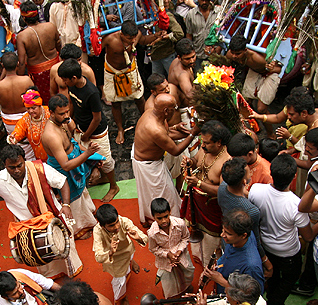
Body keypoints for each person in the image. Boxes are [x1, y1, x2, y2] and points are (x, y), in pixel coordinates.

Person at [0, 144, 83, 279]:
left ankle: (71, 271)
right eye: (12, 167)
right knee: (40, 256)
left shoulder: (40, 169)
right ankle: (51, 278)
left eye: (19, 165)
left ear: (24, 160)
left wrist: (66, 205)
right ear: (4, 165)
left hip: (52, 217)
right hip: (28, 226)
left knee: (65, 248)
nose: (16, 170)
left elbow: (62, 182)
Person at [249, 155, 315, 305]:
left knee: (272, 278)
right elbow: (308, 236)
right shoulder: (296, 205)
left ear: (272, 173)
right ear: (294, 177)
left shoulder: (256, 190)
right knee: (287, 280)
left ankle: (268, 300)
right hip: (288, 253)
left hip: (264, 247)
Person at [57, 59, 120, 202]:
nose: (64, 83)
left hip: (96, 132)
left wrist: (86, 135)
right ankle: (102, 177)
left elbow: (97, 118)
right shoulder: (71, 86)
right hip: (81, 128)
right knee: (86, 155)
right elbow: (72, 103)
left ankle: (114, 186)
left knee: (105, 159)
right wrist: (70, 120)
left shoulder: (92, 92)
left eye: (65, 80)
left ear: (74, 78)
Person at [133, 93, 199, 226]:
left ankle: (152, 217)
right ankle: (167, 221)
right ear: (166, 111)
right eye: (174, 108)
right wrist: (193, 133)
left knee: (156, 193)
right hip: (148, 165)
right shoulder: (155, 129)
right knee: (163, 194)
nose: (175, 110)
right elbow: (175, 151)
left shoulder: (151, 113)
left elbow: (165, 134)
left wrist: (175, 128)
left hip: (148, 159)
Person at [41, 94, 99, 239]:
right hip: (65, 171)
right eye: (62, 114)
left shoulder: (64, 121)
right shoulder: (51, 135)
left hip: (76, 162)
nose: (66, 115)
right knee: (73, 201)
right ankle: (79, 228)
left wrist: (90, 155)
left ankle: (89, 215)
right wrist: (88, 154)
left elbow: (73, 141)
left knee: (82, 192)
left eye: (67, 111)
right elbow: (66, 165)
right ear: (51, 113)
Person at [101, 21, 163, 145]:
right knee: (116, 103)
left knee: (139, 98)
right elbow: (95, 50)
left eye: (134, 38)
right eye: (129, 38)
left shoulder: (137, 35)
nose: (132, 40)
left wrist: (156, 36)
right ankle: (120, 129)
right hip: (113, 73)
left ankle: (148, 121)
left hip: (130, 70)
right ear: (121, 34)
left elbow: (144, 40)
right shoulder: (109, 39)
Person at [181, 120, 231, 265]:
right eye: (202, 142)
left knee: (211, 240)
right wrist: (190, 162)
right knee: (196, 231)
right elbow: (197, 160)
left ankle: (211, 263)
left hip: (213, 209)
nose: (202, 145)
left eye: (207, 143)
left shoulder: (227, 161)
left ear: (219, 143)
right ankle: (200, 255)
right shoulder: (205, 149)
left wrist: (198, 183)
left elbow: (224, 191)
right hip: (197, 203)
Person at [92, 204, 147, 305]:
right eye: (112, 225)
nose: (117, 227)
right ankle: (123, 298)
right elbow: (98, 256)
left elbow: (142, 236)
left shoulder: (123, 221)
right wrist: (111, 252)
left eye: (117, 222)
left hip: (127, 250)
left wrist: (138, 238)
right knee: (120, 282)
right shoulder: (97, 231)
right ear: (102, 226)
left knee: (130, 254)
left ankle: (131, 262)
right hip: (114, 259)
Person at [201, 209, 266, 294]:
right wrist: (216, 267)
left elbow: (253, 295)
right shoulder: (237, 239)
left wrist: (222, 282)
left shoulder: (251, 266)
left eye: (228, 233)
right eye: (223, 230)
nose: (222, 235)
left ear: (243, 235)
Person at [147, 198, 195, 299]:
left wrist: (178, 251)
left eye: (166, 216)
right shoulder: (152, 233)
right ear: (153, 217)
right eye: (159, 218)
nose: (164, 221)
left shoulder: (180, 223)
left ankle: (186, 287)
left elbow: (185, 238)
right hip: (165, 261)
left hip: (181, 256)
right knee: (169, 281)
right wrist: (167, 255)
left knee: (187, 273)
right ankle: (171, 297)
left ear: (170, 212)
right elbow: (153, 249)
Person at [16, 0, 61, 103]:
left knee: (44, 101)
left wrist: (20, 80)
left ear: (23, 18)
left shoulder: (22, 36)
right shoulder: (51, 26)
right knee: (60, 95)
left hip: (38, 75)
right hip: (56, 67)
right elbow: (59, 47)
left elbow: (22, 62)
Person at [226, 35, 282, 115]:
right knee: (245, 102)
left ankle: (270, 126)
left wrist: (272, 69)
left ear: (245, 50)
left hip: (271, 73)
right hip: (255, 71)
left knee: (261, 109)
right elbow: (222, 64)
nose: (234, 56)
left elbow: (279, 70)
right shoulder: (230, 55)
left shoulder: (257, 58)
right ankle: (253, 123)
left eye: (238, 54)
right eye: (232, 53)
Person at [0, 52, 35, 138]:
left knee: (15, 141)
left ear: (3, 66)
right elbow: (34, 97)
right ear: (18, 63)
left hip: (9, 120)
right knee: (30, 141)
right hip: (26, 116)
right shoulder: (26, 80)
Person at [7, 86, 51, 162]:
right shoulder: (25, 119)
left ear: (39, 105)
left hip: (56, 155)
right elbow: (18, 130)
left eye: (33, 108)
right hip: (40, 158)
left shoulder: (50, 113)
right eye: (28, 108)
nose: (30, 111)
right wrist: (13, 138)